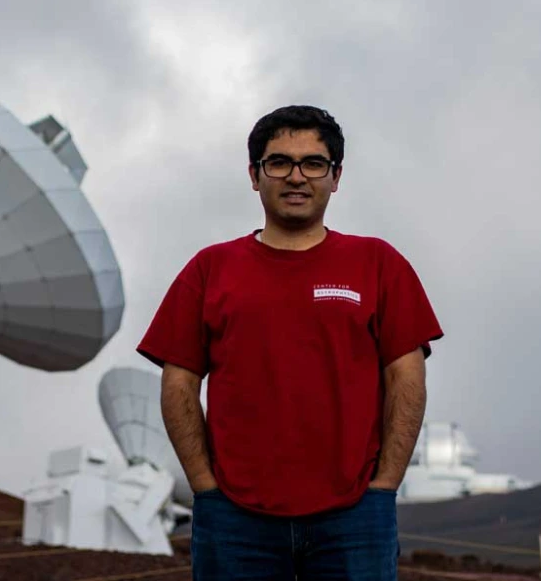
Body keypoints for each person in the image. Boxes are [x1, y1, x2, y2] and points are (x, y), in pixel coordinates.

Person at [137, 105, 443, 580]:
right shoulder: (210, 269)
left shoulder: (379, 264)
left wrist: (384, 486)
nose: (296, 176)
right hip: (234, 517)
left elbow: (407, 376)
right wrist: (205, 487)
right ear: (254, 176)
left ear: (336, 176)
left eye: (313, 163)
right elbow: (178, 382)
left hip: (355, 515)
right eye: (278, 162)